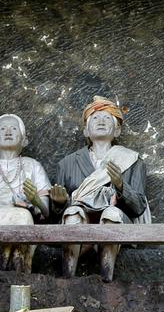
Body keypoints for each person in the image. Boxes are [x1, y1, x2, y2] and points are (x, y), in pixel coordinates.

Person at [50, 95, 151, 282]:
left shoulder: (132, 161)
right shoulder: (68, 163)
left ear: (117, 130)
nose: (101, 121)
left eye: (107, 118)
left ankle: (106, 277)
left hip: (117, 222)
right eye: (95, 118)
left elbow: (138, 207)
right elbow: (55, 215)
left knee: (111, 213)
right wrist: (59, 203)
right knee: (72, 212)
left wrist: (121, 186)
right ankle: (67, 277)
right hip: (81, 220)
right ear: (86, 131)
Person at [0, 114, 51, 272]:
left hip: (21, 213)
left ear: (24, 140)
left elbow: (45, 211)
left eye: (13, 128)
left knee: (22, 217)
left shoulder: (33, 166)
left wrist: (35, 200)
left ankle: (17, 270)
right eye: (3, 128)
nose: (8, 132)